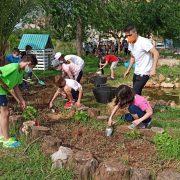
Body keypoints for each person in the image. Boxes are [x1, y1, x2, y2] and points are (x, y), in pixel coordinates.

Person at [0, 54, 38, 148]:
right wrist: (3, 84)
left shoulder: (20, 72)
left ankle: (2, 135)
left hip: (2, 92)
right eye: (32, 67)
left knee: (2, 113)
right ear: (28, 63)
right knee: (5, 113)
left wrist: (22, 100)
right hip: (0, 90)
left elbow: (16, 86)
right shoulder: (13, 67)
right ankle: (6, 140)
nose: (31, 69)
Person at [123, 24, 159, 95]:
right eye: (126, 36)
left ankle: (136, 106)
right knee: (137, 93)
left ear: (135, 33)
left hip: (144, 72)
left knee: (134, 93)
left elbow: (156, 53)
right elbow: (133, 57)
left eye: (129, 35)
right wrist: (128, 70)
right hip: (136, 72)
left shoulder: (143, 42)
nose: (127, 38)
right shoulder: (130, 43)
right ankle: (141, 105)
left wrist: (153, 68)